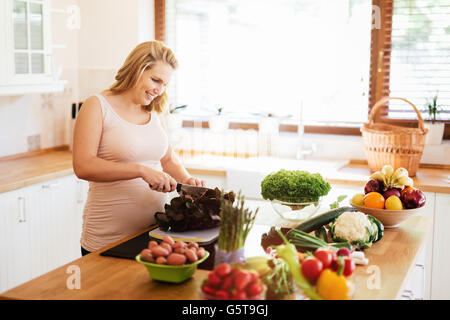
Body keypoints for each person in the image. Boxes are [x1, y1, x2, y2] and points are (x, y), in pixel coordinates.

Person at [73, 41, 205, 256]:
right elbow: (83, 166)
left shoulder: (154, 112)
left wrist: (188, 182)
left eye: (164, 84)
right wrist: (141, 170)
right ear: (137, 69)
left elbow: (169, 160)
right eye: (155, 80)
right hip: (108, 238)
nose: (159, 90)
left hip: (155, 235)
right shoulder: (97, 105)